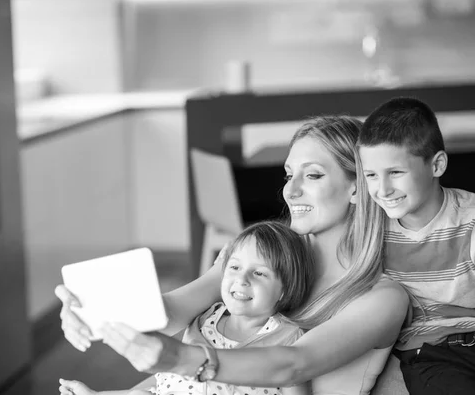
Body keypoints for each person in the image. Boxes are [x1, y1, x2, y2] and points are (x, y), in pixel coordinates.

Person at [56, 116, 410, 394]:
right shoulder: (255, 255)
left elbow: (293, 365)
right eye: (289, 174)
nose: (291, 189)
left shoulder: (382, 298)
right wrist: (92, 308)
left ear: (357, 187)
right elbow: (172, 310)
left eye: (312, 175)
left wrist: (182, 359)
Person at [59, 220, 314, 395]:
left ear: (285, 289)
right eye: (234, 267)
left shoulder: (288, 339)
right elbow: (156, 391)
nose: (241, 279)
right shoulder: (203, 320)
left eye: (259, 273)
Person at [357, 97, 475, 394]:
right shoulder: (372, 229)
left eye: (395, 172)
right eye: (371, 175)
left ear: (437, 165)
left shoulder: (470, 218)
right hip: (432, 352)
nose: (382, 190)